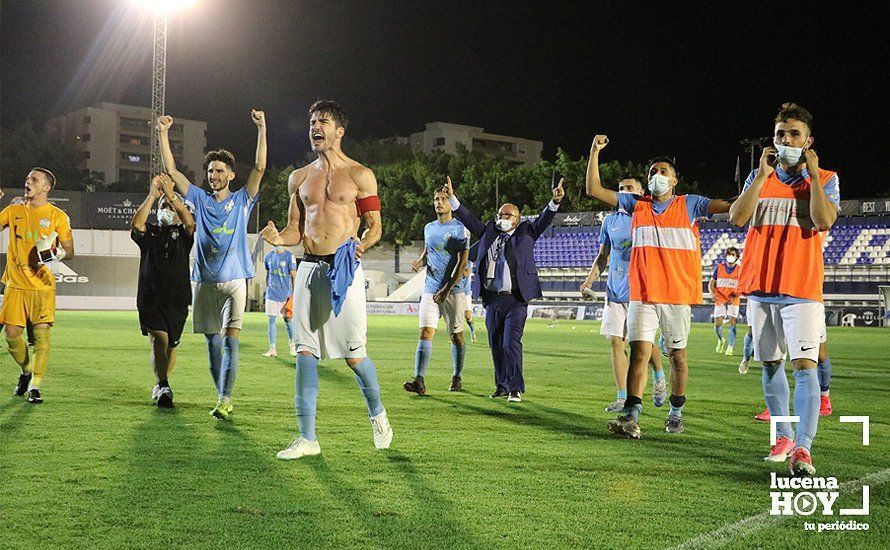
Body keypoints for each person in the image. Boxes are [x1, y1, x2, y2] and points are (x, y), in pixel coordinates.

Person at [261, 100, 392, 460]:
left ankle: (378, 414)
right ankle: (307, 438)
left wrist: (361, 245)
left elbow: (375, 227)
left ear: (339, 131)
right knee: (305, 353)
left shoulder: (361, 175)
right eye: (312, 122)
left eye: (323, 121)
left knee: (355, 355)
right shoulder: (299, 177)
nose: (315, 127)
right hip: (307, 269)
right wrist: (278, 238)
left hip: (344, 271)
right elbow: (294, 230)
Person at [586, 135, 731, 438]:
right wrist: (594, 152)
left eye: (663, 171)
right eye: (652, 172)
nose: (656, 176)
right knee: (639, 351)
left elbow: (728, 207)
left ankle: (676, 411)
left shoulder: (690, 204)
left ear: (675, 180)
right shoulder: (636, 204)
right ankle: (631, 414)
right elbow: (594, 190)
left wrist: (756, 183)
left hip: (676, 295)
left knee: (677, 356)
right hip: (643, 293)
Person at [730, 102, 839, 476]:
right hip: (760, 288)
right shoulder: (758, 179)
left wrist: (810, 175)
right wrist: (760, 178)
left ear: (809, 141)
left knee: (805, 367)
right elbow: (737, 217)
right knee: (771, 364)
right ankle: (784, 436)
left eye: (794, 134)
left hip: (802, 289)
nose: (786, 140)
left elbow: (823, 221)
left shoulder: (825, 178)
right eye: (780, 134)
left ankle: (803, 449)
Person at [159, 110, 266, 420]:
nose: (214, 175)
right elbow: (171, 170)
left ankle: (226, 398)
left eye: (220, 171)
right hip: (205, 282)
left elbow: (259, 166)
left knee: (231, 341)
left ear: (231, 174)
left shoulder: (244, 199)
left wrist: (262, 128)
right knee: (213, 346)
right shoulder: (200, 199)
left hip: (235, 282)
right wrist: (163, 133)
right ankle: (221, 394)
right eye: (210, 171)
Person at [444, 175, 564, 403]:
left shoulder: (527, 232)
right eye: (500, 215)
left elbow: (544, 219)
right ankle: (501, 385)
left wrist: (555, 202)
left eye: (508, 215)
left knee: (511, 343)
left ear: (518, 219)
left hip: (516, 299)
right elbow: (469, 219)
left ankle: (515, 388)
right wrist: (452, 198)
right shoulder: (490, 231)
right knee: (496, 345)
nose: (503, 218)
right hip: (492, 299)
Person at [580, 176, 667, 413]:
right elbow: (603, 255)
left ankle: (659, 373)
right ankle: (622, 397)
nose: (623, 192)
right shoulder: (610, 221)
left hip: (642, 290)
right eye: (620, 188)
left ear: (641, 191)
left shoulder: (650, 214)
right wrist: (589, 281)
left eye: (629, 188)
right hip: (615, 290)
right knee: (616, 343)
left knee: (642, 344)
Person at [0, 168, 75, 404]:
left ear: (46, 187)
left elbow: (70, 252)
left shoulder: (57, 216)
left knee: (42, 337)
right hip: (15, 285)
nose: (28, 181)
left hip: (42, 287)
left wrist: (55, 253)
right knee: (12, 336)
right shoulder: (13, 211)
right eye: (27, 178)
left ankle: (36, 385)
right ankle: (26, 370)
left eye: (34, 179)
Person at [131, 173, 195, 408]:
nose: (165, 209)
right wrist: (153, 196)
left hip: (177, 299)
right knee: (159, 338)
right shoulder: (151, 233)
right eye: (163, 207)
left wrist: (171, 195)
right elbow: (136, 224)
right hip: (150, 297)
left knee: (171, 345)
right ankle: (165, 384)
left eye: (169, 206)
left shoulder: (184, 236)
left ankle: (161, 384)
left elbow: (189, 223)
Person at [404, 190, 470, 394]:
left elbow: (462, 262)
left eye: (443, 199)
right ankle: (419, 380)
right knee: (425, 332)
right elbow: (428, 251)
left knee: (456, 337)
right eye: (436, 200)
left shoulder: (461, 228)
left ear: (451, 203)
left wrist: (446, 288)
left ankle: (457, 376)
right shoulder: (429, 228)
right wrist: (420, 261)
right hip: (430, 288)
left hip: (453, 290)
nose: (439, 203)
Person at [262, 243, 299, 358]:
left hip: (285, 295)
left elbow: (294, 275)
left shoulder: (289, 256)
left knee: (288, 321)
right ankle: (272, 348)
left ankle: (292, 345)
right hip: (271, 294)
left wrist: (295, 294)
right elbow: (268, 274)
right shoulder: (268, 256)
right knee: (271, 320)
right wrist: (267, 288)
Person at [709, 247, 742, 355]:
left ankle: (730, 347)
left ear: (737, 257)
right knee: (717, 323)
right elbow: (712, 283)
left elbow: (742, 286)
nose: (730, 256)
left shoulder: (740, 270)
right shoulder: (719, 268)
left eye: (733, 254)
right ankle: (721, 339)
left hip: (733, 298)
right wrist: (712, 293)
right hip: (720, 298)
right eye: (729, 254)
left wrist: (735, 295)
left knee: (732, 323)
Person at [462, 261, 477, 343]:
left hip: (465, 292)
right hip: (455, 292)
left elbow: (466, 273)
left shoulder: (468, 261)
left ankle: (473, 331)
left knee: (467, 316)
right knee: (455, 316)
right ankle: (455, 336)